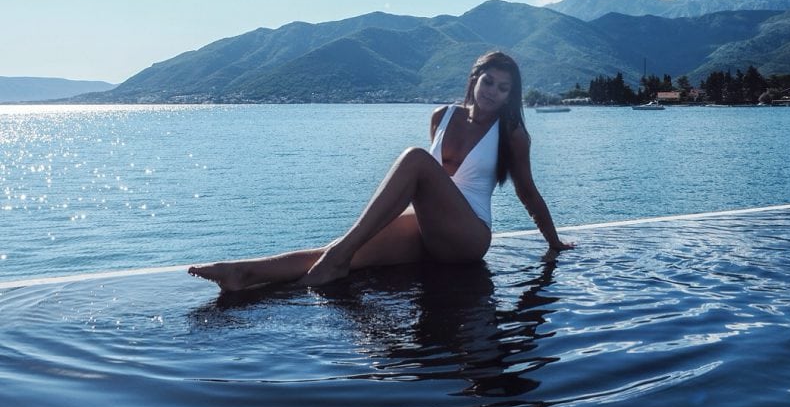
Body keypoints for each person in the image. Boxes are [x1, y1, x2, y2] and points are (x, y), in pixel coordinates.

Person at [188, 50, 574, 293]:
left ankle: (337, 255)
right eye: (488, 81)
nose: (492, 92)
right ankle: (244, 273)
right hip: (427, 229)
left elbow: (527, 191)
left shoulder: (512, 134)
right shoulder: (443, 116)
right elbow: (425, 189)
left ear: (511, 96)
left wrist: (553, 242)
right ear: (474, 80)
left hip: (468, 237)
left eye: (503, 88)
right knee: (340, 254)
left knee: (415, 159)